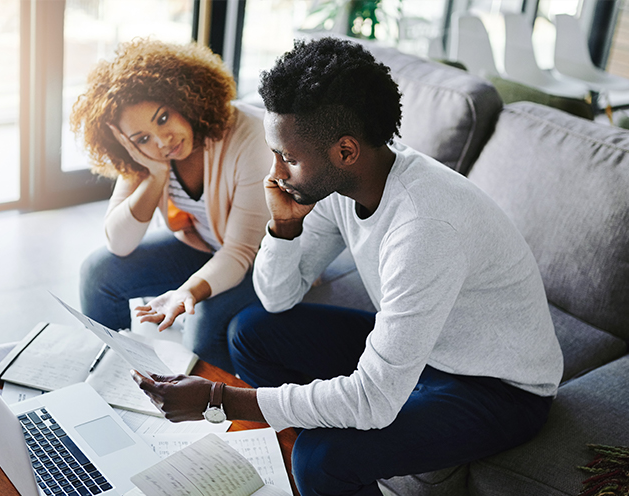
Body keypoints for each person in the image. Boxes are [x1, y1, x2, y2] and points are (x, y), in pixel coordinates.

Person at [132, 37, 564, 495]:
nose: (274, 172)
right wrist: (283, 228)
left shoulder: (424, 225)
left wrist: (218, 399)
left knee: (321, 461)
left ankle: (327, 449)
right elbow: (278, 298)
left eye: (288, 158)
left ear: (344, 151)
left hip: (496, 388)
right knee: (252, 332)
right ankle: (324, 429)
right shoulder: (343, 186)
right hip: (427, 352)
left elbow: (376, 399)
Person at [70, 38, 272, 373]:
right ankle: (113, 382)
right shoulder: (149, 157)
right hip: (207, 247)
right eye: (142, 138)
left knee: (201, 327)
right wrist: (155, 175)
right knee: (98, 274)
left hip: (265, 263)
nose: (162, 141)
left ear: (185, 96)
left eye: (163, 118)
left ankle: (215, 420)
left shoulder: (249, 138)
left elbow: (239, 253)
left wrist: (186, 292)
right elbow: (119, 243)